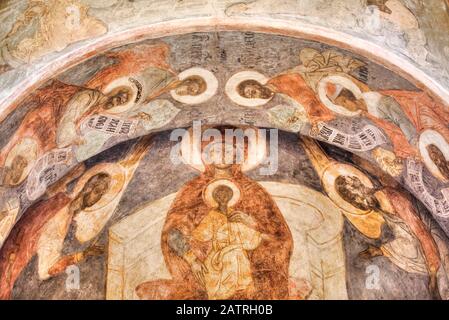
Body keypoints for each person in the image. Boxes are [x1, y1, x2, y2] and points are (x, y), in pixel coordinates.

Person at [335, 174, 442, 299]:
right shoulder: (376, 208)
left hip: (432, 248)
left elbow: (421, 232)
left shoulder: (392, 198)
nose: (357, 201)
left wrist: (433, 273)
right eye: (351, 199)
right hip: (417, 253)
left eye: (355, 195)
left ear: (359, 183)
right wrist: (381, 251)